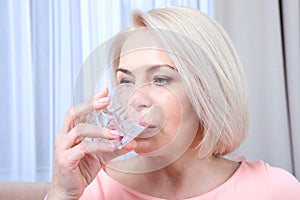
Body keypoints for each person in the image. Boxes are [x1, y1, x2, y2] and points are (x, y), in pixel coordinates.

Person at [46, 6, 300, 200]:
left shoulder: (274, 189)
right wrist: (60, 194)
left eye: (160, 79)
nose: (135, 99)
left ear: (207, 93)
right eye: (125, 81)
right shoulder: (93, 188)